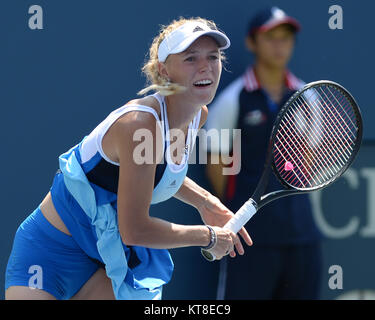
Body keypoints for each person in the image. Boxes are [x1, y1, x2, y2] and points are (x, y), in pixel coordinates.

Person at [5, 17, 252, 300]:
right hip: (48, 252)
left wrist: (205, 202)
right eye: (190, 58)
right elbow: (134, 230)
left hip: (105, 262)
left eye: (213, 56)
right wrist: (208, 236)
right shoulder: (139, 125)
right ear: (164, 70)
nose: (206, 66)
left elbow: (157, 172)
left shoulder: (198, 114)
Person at [204, 7, 322, 300]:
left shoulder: (309, 97)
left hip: (302, 237)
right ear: (251, 42)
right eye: (271, 37)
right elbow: (216, 163)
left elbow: (312, 159)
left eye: (285, 38)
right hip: (248, 240)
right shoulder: (232, 100)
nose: (279, 45)